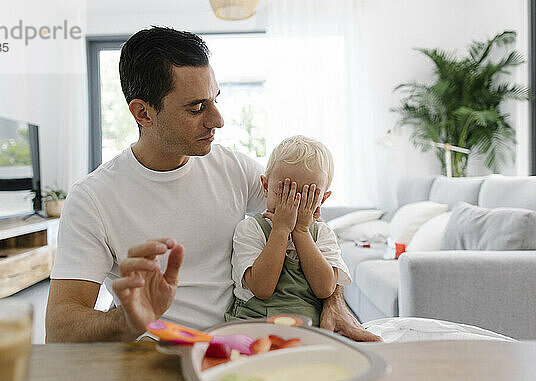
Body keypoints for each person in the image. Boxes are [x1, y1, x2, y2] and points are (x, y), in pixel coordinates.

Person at [45, 26, 381, 343]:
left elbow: (308, 224)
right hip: (154, 354)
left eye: (215, 99)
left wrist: (334, 300)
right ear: (143, 114)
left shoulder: (235, 169)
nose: (218, 120)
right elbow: (60, 329)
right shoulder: (93, 199)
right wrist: (127, 321)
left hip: (241, 347)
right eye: (196, 108)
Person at [225, 136, 351, 326]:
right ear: (266, 187)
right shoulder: (250, 228)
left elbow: (325, 288)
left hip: (309, 327)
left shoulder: (323, 234)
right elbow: (262, 288)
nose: (291, 205)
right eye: (284, 192)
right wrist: (281, 231)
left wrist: (301, 232)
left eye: (306, 196)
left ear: (322, 200)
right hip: (254, 323)